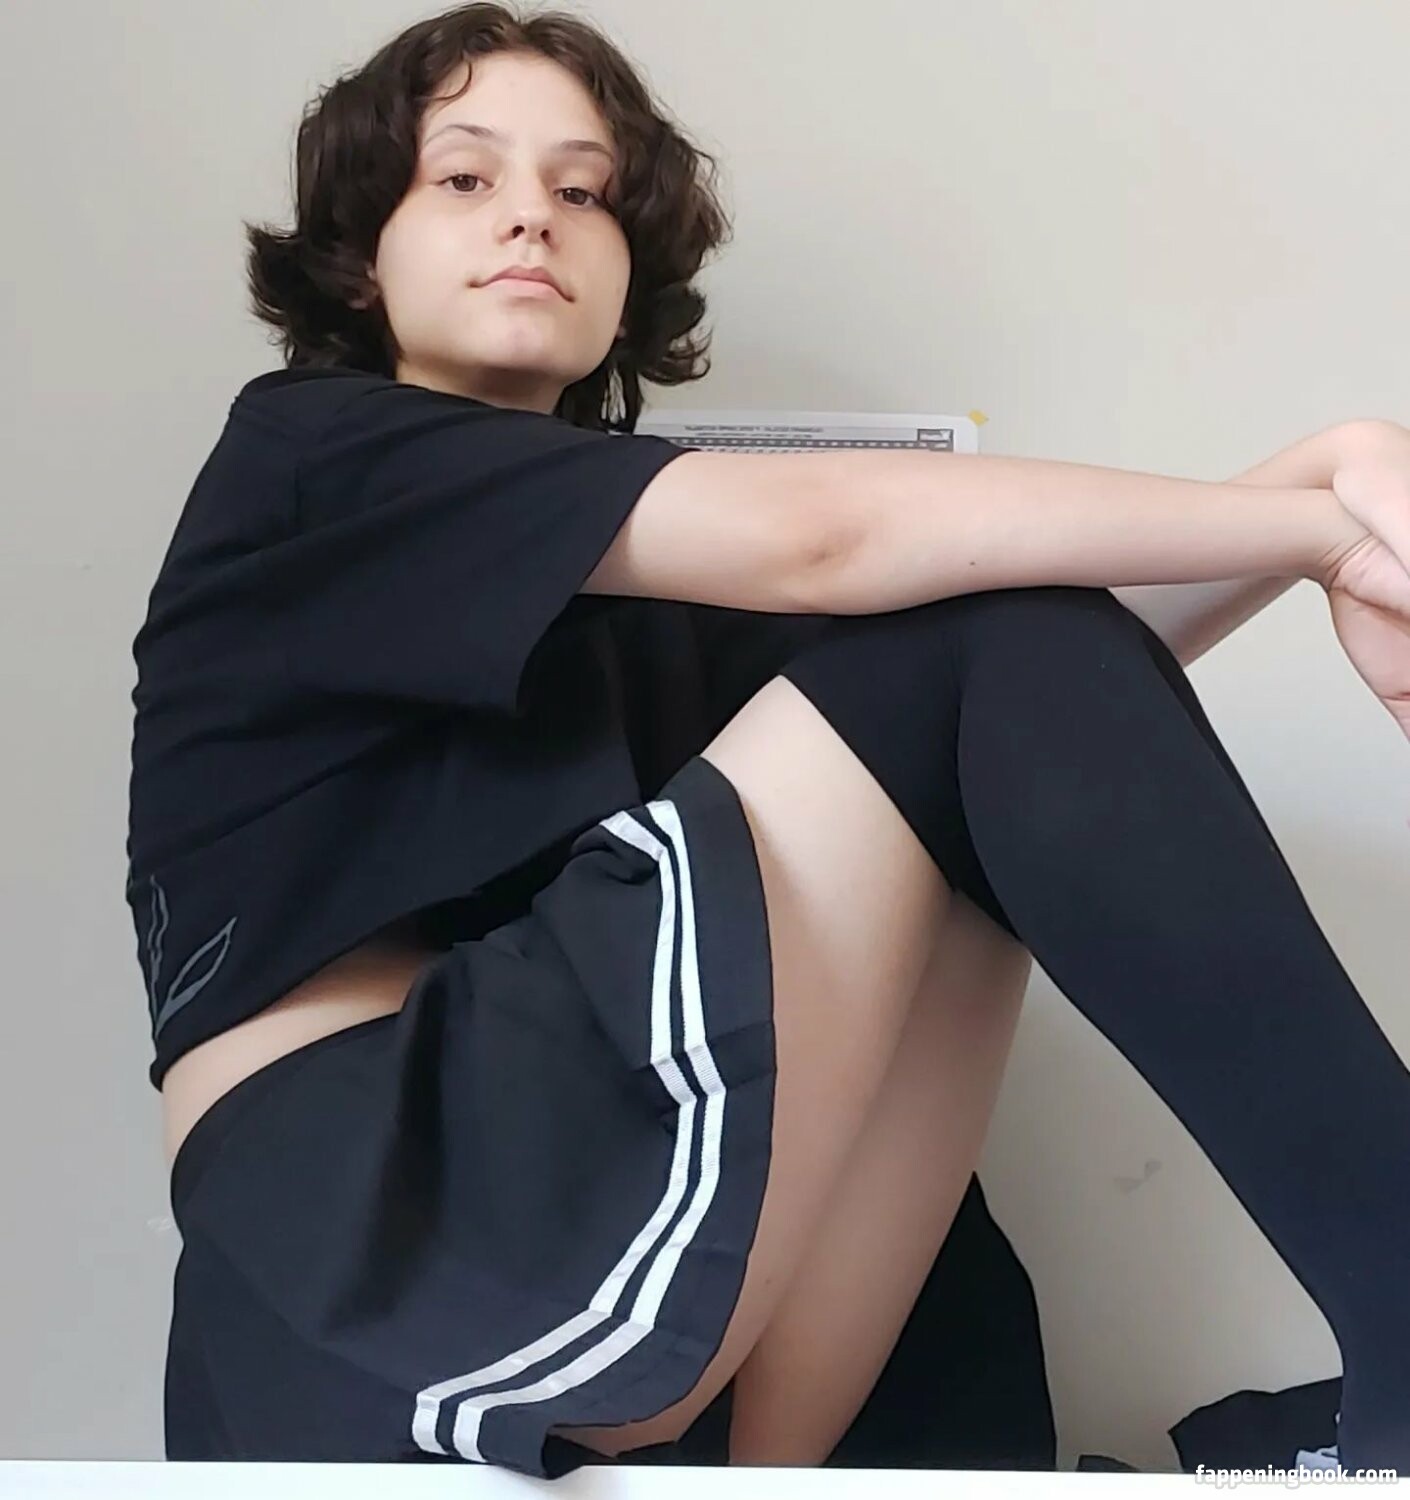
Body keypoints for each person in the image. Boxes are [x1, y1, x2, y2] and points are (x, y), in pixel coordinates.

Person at [125, 1, 1410, 1478]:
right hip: (366, 1247)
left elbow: (1039, 726)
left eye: (583, 192)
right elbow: (834, 545)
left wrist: (1333, 479)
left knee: (982, 696)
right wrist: (1316, 532)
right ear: (364, 255)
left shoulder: (648, 578)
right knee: (963, 627)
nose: (532, 218)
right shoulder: (308, 457)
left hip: (639, 1291)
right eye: (464, 178)